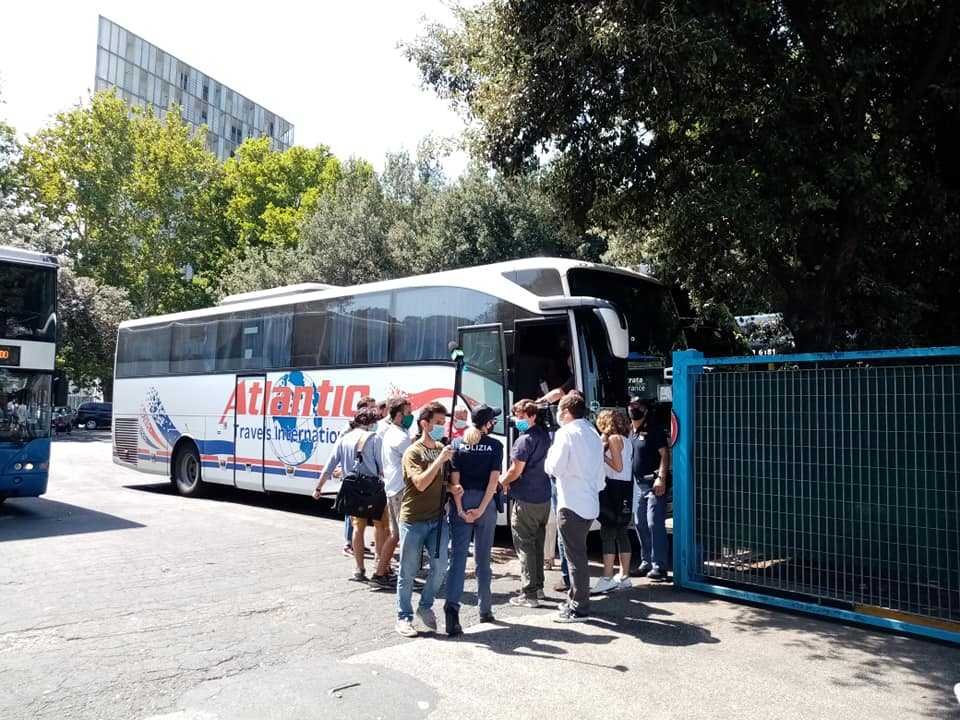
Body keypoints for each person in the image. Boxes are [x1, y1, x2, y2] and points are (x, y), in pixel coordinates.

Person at [395, 401, 463, 637]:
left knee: (440, 567)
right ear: (424, 423)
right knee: (408, 571)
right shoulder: (413, 452)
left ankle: (425, 606)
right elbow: (421, 483)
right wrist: (440, 459)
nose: (442, 428)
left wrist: (453, 489)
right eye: (437, 423)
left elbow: (440, 482)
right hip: (413, 520)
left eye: (443, 424)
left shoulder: (442, 449)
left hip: (438, 519)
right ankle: (404, 617)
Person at [314, 408, 393, 587]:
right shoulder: (375, 439)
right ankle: (379, 567)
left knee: (358, 528)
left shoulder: (344, 439)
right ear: (372, 423)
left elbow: (329, 465)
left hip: (352, 489)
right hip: (374, 489)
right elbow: (382, 467)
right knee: (380, 526)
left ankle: (359, 569)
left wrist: (318, 487)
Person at [544, 393, 605, 622]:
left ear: (567, 412)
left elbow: (554, 467)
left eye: (560, 409)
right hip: (589, 501)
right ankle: (574, 600)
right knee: (578, 555)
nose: (558, 414)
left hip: (570, 502)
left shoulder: (565, 433)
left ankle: (579, 607)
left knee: (575, 559)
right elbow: (600, 474)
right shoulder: (591, 432)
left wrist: (548, 463)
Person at [445, 404, 503, 635]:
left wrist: (460, 509)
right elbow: (493, 482)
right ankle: (485, 610)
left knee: (457, 559)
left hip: (461, 500)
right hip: (484, 503)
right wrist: (480, 509)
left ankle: (451, 611)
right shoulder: (495, 446)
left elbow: (455, 482)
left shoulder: (458, 444)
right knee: (483, 558)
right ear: (488, 423)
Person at [501, 399, 552, 608]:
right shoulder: (544, 436)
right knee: (537, 544)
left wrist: (501, 482)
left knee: (525, 546)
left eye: (521, 416)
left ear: (532, 416)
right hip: (543, 497)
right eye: (516, 415)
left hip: (526, 499)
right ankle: (538, 588)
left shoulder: (523, 441)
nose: (517, 420)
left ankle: (529, 593)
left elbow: (516, 471)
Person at [592, 409, 635, 594]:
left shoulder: (613, 439)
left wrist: (600, 456)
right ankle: (624, 576)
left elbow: (617, 466)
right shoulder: (626, 439)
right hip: (625, 487)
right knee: (622, 531)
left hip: (613, 487)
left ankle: (607, 576)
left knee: (608, 531)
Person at [629, 398, 671, 581]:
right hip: (638, 485)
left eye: (637, 407)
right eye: (631, 406)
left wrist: (661, 478)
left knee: (654, 523)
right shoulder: (630, 431)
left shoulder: (655, 430)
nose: (633, 409)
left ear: (645, 411)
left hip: (654, 484)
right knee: (640, 524)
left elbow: (664, 454)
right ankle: (645, 562)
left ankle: (659, 566)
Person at [381, 396, 414, 576]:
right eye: (408, 413)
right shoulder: (401, 437)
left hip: (392, 487)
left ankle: (381, 571)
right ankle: (403, 575)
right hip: (400, 489)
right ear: (400, 415)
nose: (411, 416)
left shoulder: (393, 432)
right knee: (404, 536)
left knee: (395, 535)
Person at [343, 396, 379, 556]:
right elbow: (340, 445)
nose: (374, 409)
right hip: (352, 475)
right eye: (371, 407)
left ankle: (357, 543)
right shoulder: (351, 427)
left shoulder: (371, 427)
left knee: (359, 514)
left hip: (361, 476)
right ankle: (349, 544)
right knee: (351, 512)